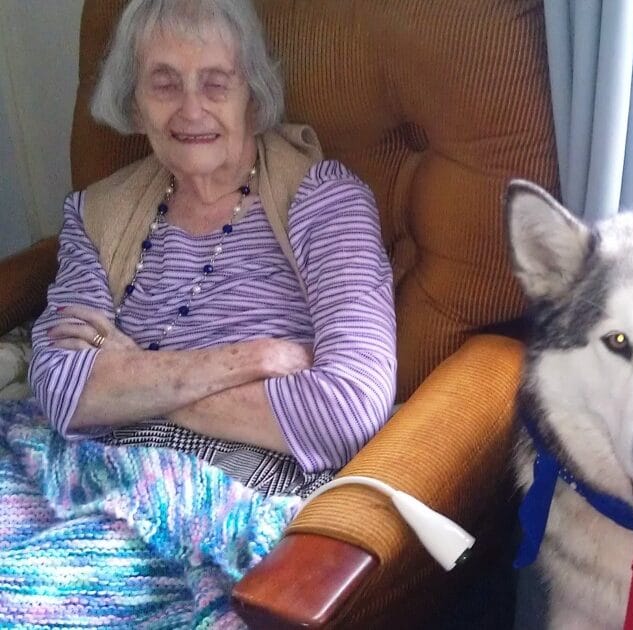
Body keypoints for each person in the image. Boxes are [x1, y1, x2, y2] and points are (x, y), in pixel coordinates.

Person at [26, 0, 397, 496]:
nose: (192, 109)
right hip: (98, 472)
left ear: (253, 96)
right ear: (134, 102)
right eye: (164, 83)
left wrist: (129, 381)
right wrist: (253, 358)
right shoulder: (96, 213)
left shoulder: (324, 199)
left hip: (239, 488)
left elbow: (349, 410)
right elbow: (58, 386)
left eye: (216, 82)